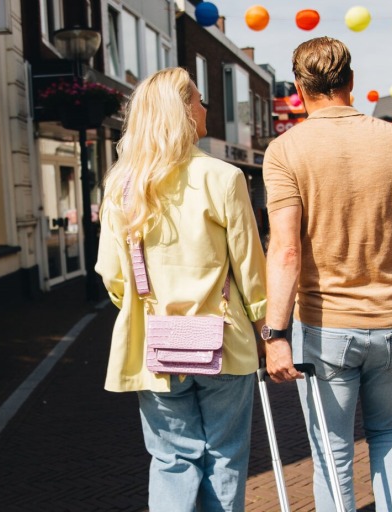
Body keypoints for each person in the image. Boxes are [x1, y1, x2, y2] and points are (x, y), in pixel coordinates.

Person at [261, 37, 392, 512]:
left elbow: (285, 250)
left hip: (325, 327)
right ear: (350, 81)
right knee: (388, 432)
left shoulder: (285, 151)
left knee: (332, 451)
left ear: (301, 88)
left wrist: (275, 333)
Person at [95, 67, 267, 511]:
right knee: (225, 454)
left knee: (171, 457)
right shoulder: (223, 178)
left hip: (156, 342)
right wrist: (267, 329)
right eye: (198, 99)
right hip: (224, 341)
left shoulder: (122, 186)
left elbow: (113, 275)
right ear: (182, 112)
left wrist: (141, 305)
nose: (205, 106)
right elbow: (250, 269)